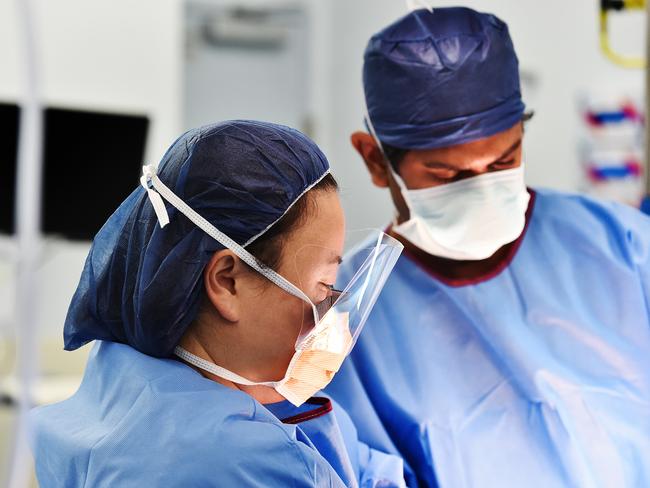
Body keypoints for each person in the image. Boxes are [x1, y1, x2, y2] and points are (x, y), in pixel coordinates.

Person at [325, 7, 650, 488]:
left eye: (504, 160)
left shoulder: (622, 245)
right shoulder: (345, 319)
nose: (480, 187)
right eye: (447, 175)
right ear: (375, 161)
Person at [29, 120, 406, 487]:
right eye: (323, 286)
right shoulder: (238, 460)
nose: (332, 321)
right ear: (227, 281)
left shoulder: (121, 378)